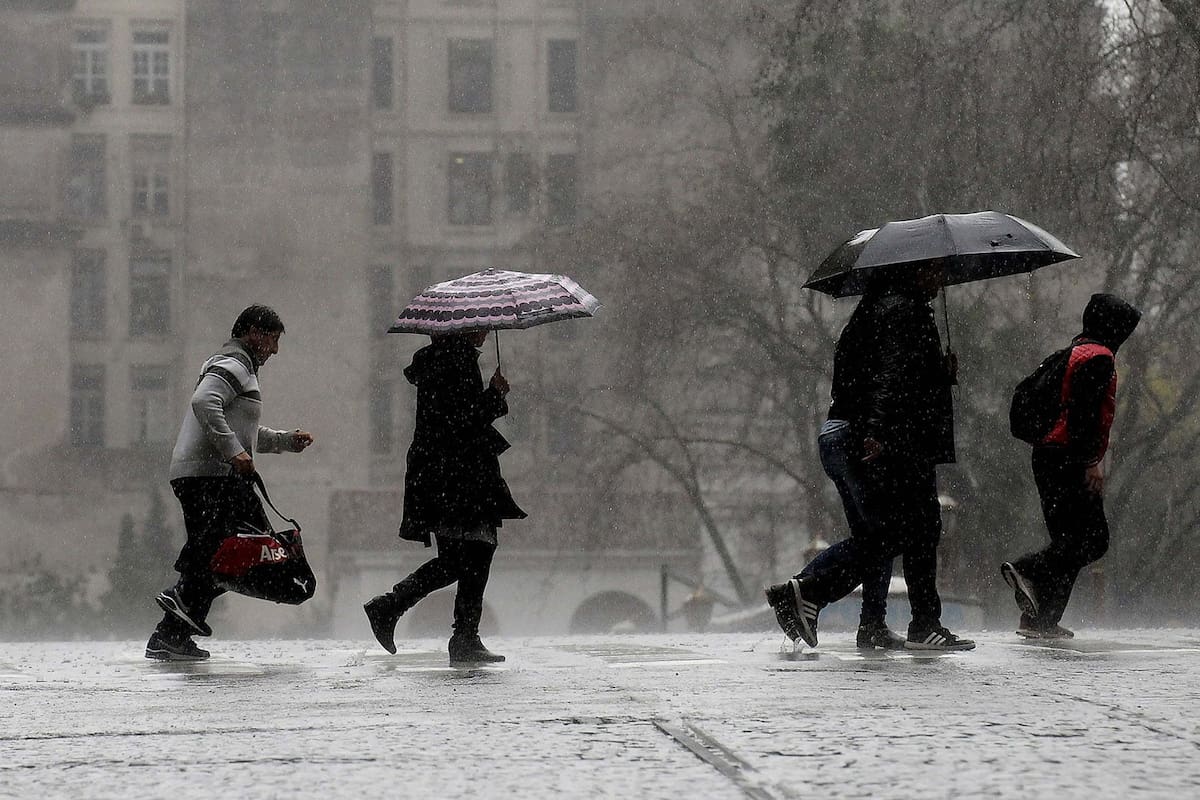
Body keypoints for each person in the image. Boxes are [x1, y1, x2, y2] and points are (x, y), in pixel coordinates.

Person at [765, 262, 976, 651]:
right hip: (886, 439)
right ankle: (810, 590)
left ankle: (872, 622)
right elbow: (890, 376)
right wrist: (878, 430)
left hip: (843, 434)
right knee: (910, 530)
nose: (940, 278)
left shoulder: (869, 314)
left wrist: (937, 372)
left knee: (878, 532)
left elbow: (871, 375)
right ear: (912, 272)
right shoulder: (905, 311)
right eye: (933, 271)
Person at [146, 305, 314, 661]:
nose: (275, 350)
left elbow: (243, 431)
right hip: (208, 475)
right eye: (273, 340)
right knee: (240, 551)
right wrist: (234, 453)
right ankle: (177, 609)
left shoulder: (241, 368)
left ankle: (172, 630)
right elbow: (204, 403)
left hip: (211, 474)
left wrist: (284, 440)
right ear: (254, 333)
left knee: (224, 553)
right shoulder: (234, 363)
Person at [363, 329, 526, 664]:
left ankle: (417, 617)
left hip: (442, 474)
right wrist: (494, 395)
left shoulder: (441, 360)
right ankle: (455, 633)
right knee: (475, 550)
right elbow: (463, 422)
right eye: (479, 323)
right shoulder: (458, 360)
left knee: (461, 556)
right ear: (463, 329)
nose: (484, 329)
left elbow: (452, 419)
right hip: (458, 476)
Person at [1001, 293, 1141, 639]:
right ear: (1114, 328)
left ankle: (1041, 620)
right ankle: (1027, 569)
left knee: (1070, 542)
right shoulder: (1099, 358)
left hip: (1048, 456)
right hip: (1069, 458)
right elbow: (1083, 415)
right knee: (1093, 540)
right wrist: (1090, 462)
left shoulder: (1072, 352)